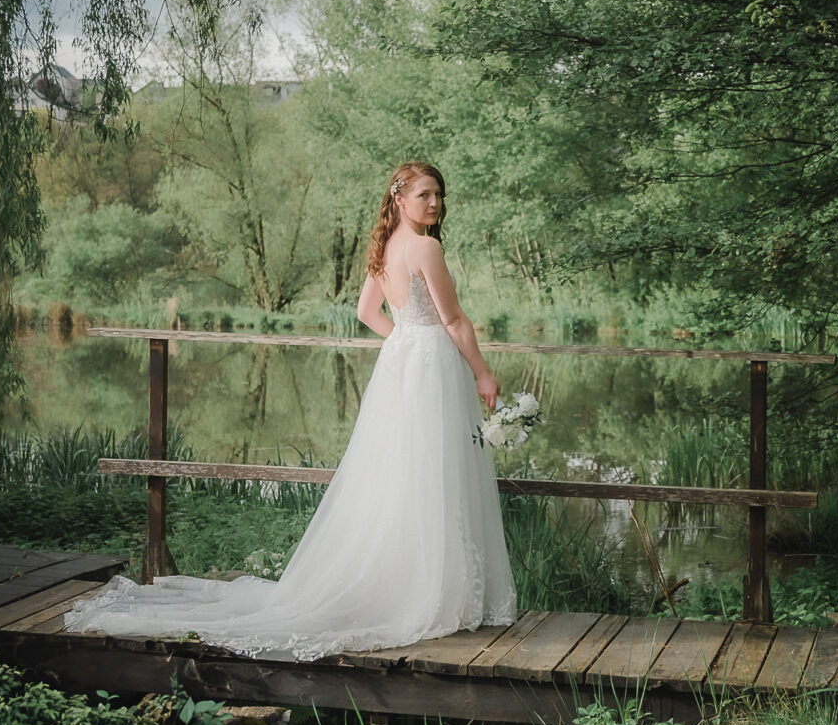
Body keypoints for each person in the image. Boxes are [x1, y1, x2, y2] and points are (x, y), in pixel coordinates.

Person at [62, 161, 517, 659]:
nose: (435, 204)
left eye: (439, 196)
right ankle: (433, 590)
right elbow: (453, 320)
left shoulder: (387, 247)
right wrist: (482, 373)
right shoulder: (426, 246)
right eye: (426, 195)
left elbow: (368, 313)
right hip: (430, 367)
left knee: (406, 472)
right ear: (400, 198)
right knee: (434, 470)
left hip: (405, 364)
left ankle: (418, 584)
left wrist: (407, 342)